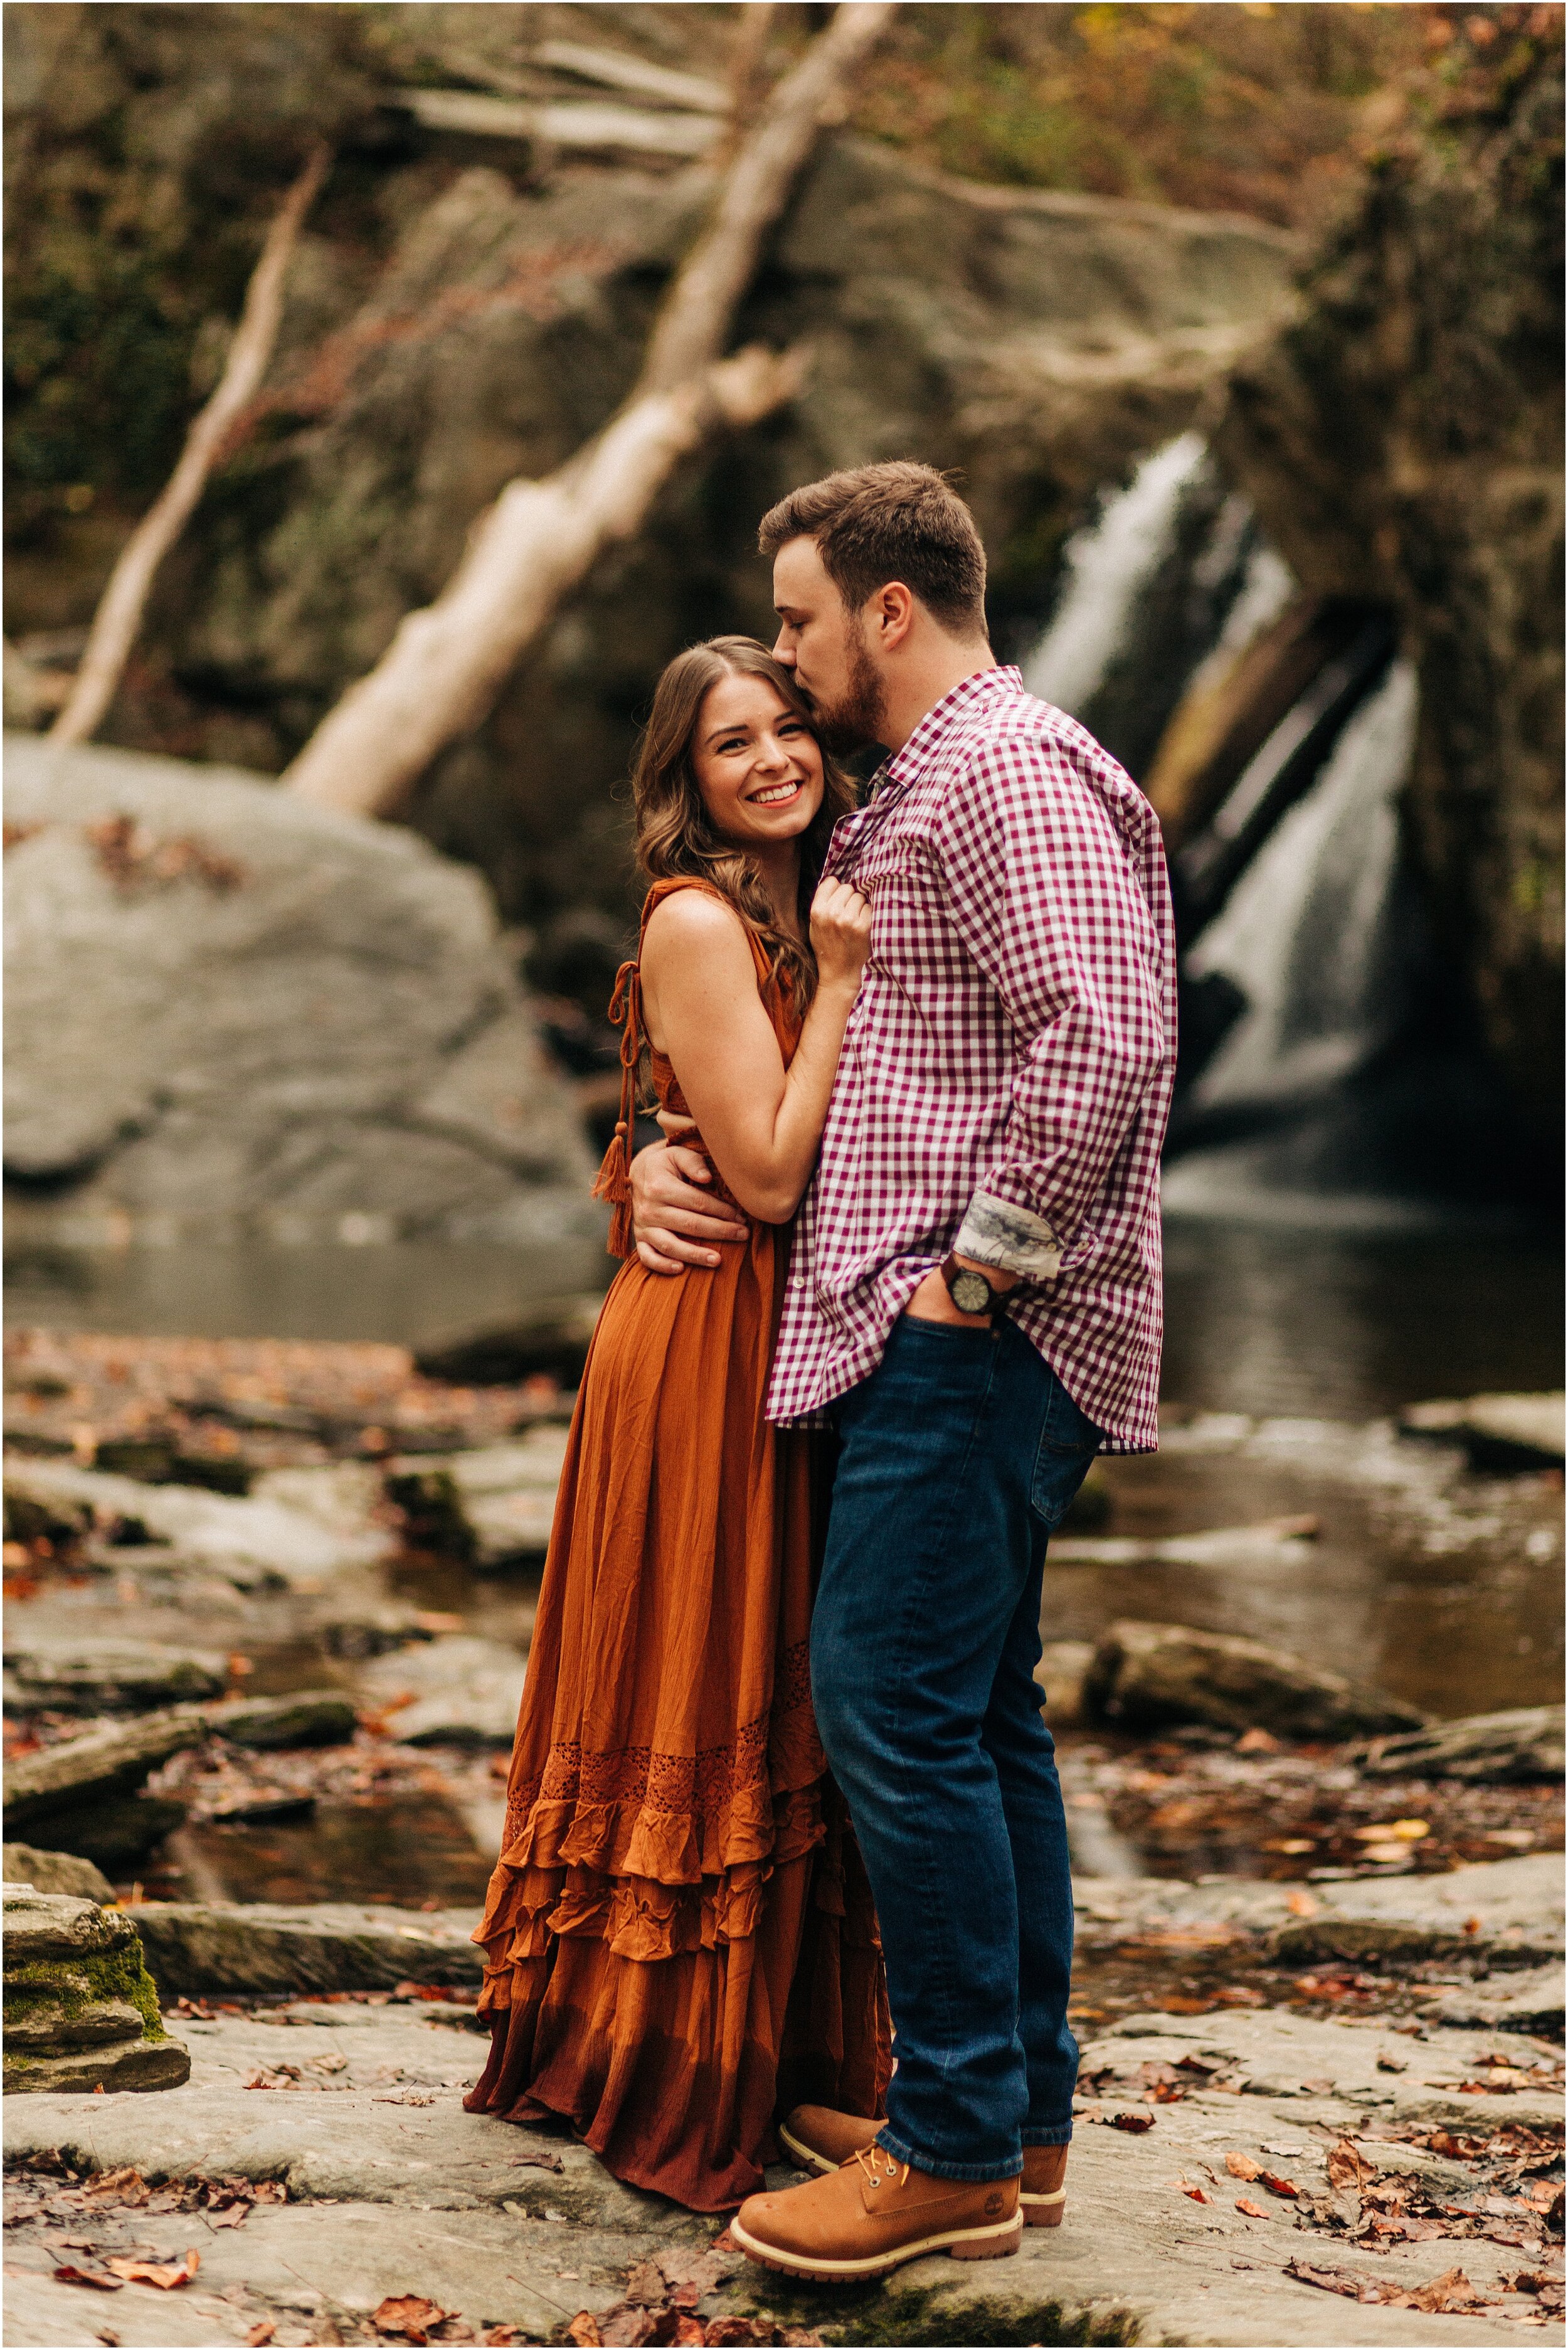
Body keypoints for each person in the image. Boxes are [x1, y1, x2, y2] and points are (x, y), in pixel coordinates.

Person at [628, 463, 1177, 2279]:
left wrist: (972, 1280)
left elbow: (1095, 1042)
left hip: (978, 1335)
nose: (782, 660)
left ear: (883, 609)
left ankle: (943, 2144)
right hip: (947, 1327)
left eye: (793, 621)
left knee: (884, 1700)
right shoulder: (932, 787)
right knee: (983, 1715)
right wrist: (647, 1161)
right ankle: (1007, 2117)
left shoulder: (1008, 770)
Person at [465, 636, 889, 2213]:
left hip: (781, 1342)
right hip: (708, 1342)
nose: (774, 758)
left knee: (773, 1671)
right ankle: (655, 2058)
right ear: (682, 776)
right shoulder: (709, 918)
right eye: (733, 743)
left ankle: (769, 2057)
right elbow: (769, 1173)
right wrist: (840, 984)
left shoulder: (814, 888)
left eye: (791, 728)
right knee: (698, 1668)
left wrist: (640, 1155)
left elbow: (687, 1123)